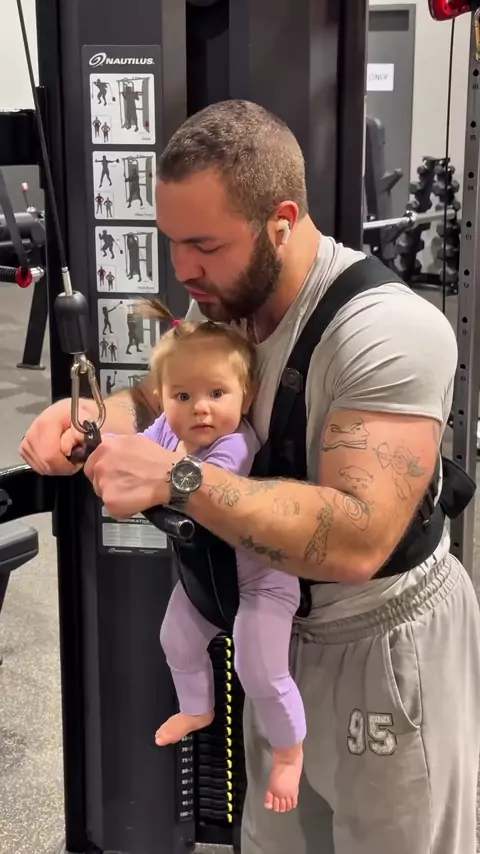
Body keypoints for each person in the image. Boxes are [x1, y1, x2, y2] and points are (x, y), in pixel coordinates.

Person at [20, 100, 480, 854]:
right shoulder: (227, 302)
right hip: (276, 628)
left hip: (381, 643)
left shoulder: (388, 332)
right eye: (173, 242)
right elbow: (159, 400)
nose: (183, 269)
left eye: (205, 245)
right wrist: (92, 419)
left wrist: (180, 479)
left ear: (281, 222)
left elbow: (358, 537)